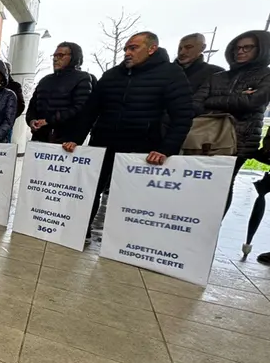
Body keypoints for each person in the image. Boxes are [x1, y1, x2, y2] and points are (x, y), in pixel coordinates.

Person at [62, 32, 193, 241]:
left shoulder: (170, 74)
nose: (127, 53)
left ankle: (124, 240)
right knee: (90, 188)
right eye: (126, 49)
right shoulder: (113, 75)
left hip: (141, 147)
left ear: (152, 49)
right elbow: (90, 111)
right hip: (103, 143)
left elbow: (183, 116)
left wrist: (166, 149)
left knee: (130, 196)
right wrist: (76, 139)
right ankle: (81, 230)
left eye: (133, 48)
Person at [193, 30, 270, 215]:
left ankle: (212, 225)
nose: (240, 52)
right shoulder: (218, 76)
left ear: (261, 49)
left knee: (224, 184)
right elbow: (196, 104)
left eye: (247, 47)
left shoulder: (266, 76)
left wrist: (214, 100)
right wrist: (236, 99)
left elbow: (252, 102)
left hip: (239, 141)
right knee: (196, 183)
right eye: (237, 48)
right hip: (205, 136)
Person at [26, 42, 93, 143]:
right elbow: (32, 106)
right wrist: (31, 120)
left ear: (74, 57)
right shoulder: (45, 80)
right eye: (54, 56)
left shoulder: (82, 78)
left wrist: (49, 121)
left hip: (66, 141)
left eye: (60, 55)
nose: (55, 59)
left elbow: (80, 109)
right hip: (39, 138)